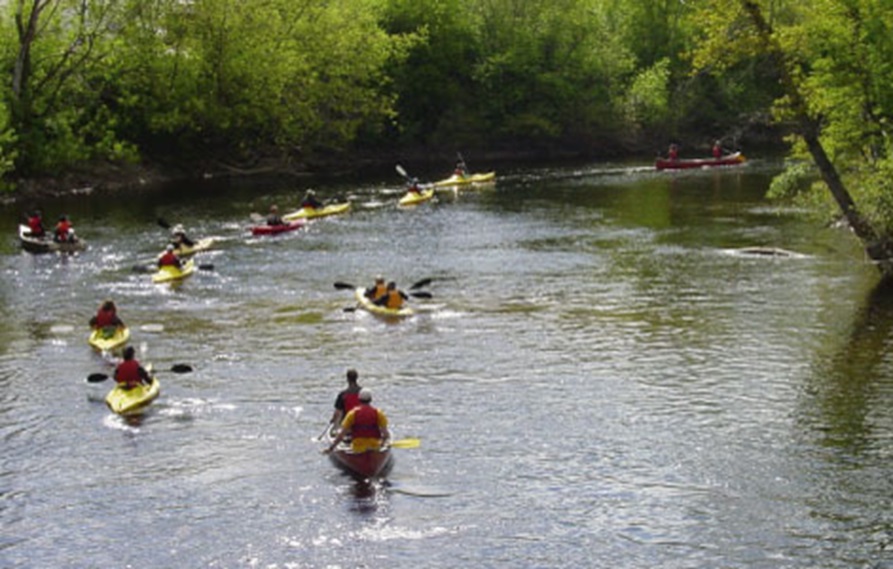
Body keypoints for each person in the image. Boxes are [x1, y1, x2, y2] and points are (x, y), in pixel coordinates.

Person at [325, 388, 390, 454]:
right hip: (374, 447)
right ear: (371, 399)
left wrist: (331, 448)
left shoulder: (352, 414)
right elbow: (386, 435)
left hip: (357, 448)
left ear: (359, 399)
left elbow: (341, 435)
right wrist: (382, 444)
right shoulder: (379, 413)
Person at [327, 369, 363, 437]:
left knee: (338, 420)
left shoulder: (343, 395)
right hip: (361, 421)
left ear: (347, 379)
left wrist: (333, 419)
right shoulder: (363, 392)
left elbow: (337, 412)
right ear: (357, 378)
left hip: (347, 422)